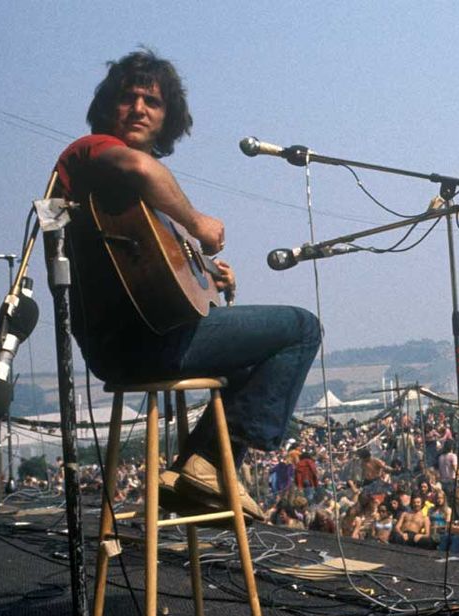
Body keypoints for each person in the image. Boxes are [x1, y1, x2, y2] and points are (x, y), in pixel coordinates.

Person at [51, 49, 320, 520]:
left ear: (166, 117)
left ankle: (198, 469)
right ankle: (213, 462)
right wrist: (198, 223)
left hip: (140, 341)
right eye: (128, 98)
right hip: (143, 344)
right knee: (302, 328)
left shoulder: (133, 206)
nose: (138, 108)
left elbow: (155, 274)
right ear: (107, 107)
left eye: (151, 102)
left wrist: (209, 274)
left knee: (253, 355)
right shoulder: (90, 151)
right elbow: (143, 168)